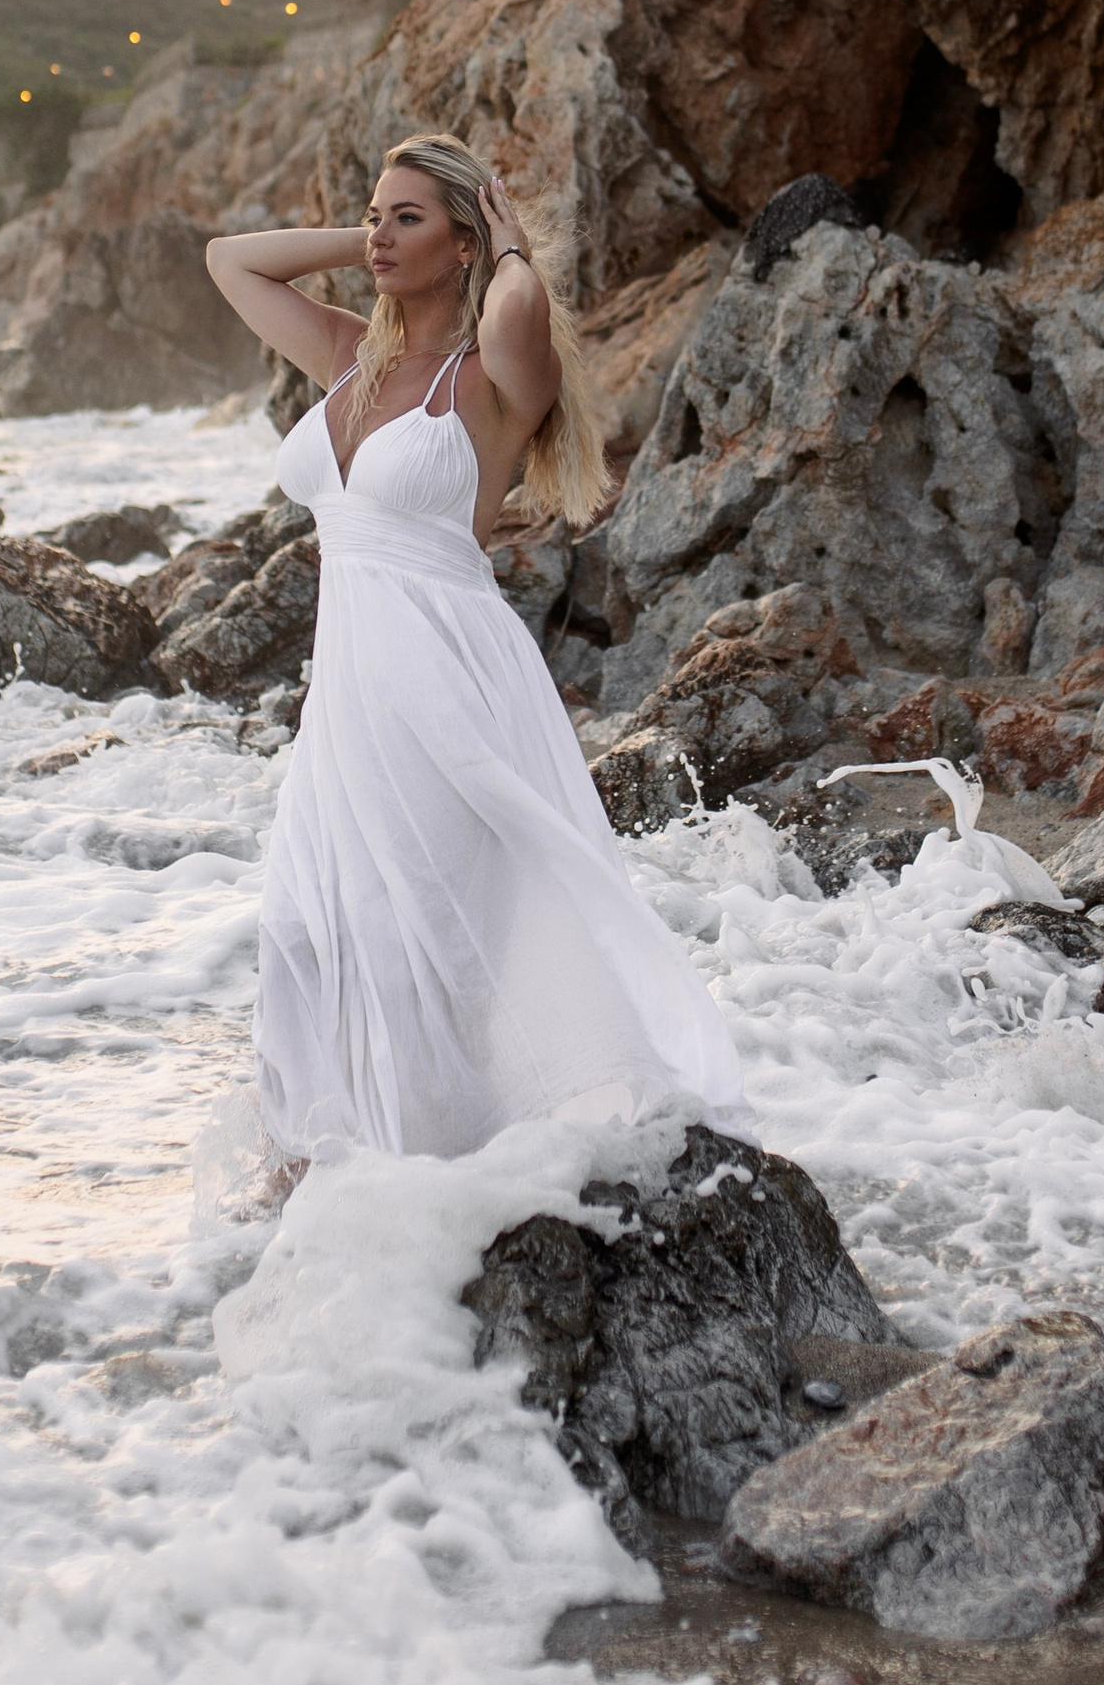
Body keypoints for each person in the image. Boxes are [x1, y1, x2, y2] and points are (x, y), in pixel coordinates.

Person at [205, 133, 747, 1163]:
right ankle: (346, 1159)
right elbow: (231, 260)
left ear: (462, 243)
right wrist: (366, 238)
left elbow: (515, 314)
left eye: (407, 218)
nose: (378, 232)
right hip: (350, 696)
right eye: (375, 213)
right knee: (309, 931)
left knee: (443, 918)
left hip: (443, 675)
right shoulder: (346, 359)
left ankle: (479, 1154)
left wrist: (505, 249)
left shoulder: (494, 379)